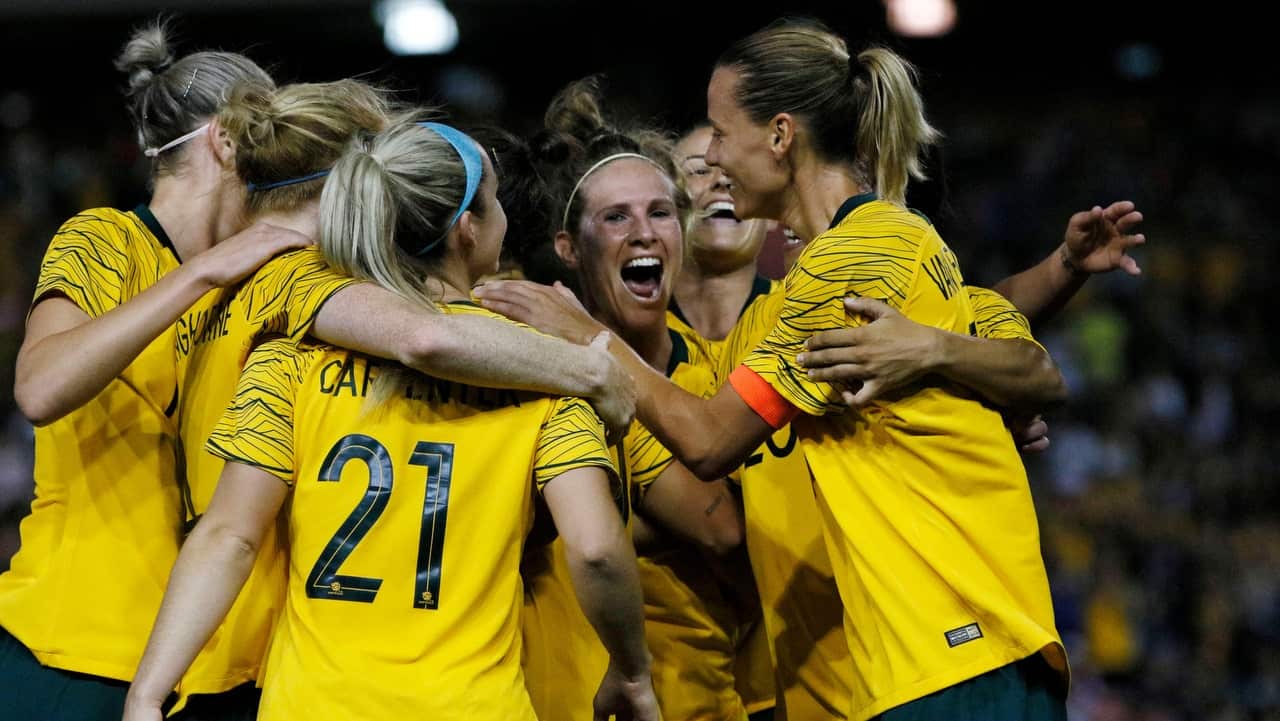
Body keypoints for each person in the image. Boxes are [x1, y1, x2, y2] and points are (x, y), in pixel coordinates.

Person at [479, 18, 1071, 721]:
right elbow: (1023, 359)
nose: (713, 164)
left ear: (782, 136)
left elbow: (707, 441)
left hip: (953, 649)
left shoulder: (855, 254)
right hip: (935, 658)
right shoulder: (818, 285)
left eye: (722, 135)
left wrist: (583, 340)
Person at [122, 116, 658, 721]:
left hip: (313, 705)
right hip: (472, 704)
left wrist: (147, 692)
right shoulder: (547, 371)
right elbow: (595, 550)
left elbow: (228, 537)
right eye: (496, 200)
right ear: (466, 229)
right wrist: (632, 671)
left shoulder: (291, 358)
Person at [0, 22, 300, 721]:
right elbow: (40, 387)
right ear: (226, 140)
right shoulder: (105, 239)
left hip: (226, 669)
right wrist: (202, 272)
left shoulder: (267, 274)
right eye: (271, 133)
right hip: (80, 653)